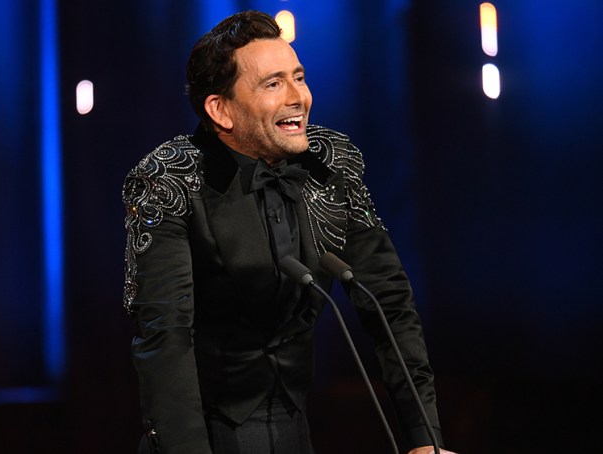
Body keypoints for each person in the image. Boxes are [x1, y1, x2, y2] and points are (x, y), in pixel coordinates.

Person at [123, 10, 455, 454]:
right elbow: (165, 335)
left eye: (299, 77)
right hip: (202, 431)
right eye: (273, 84)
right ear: (220, 109)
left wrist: (424, 438)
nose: (298, 97)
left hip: (294, 427)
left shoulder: (330, 163)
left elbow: (388, 304)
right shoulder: (172, 177)